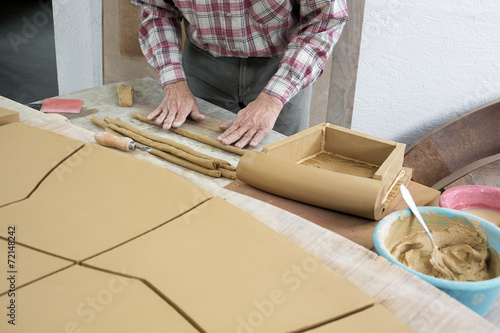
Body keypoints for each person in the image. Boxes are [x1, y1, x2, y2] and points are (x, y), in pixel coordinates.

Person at [131, 0, 348, 148]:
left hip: (282, 69)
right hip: (203, 65)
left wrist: (273, 99)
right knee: (197, 165)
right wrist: (173, 81)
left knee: (279, 169)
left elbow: (324, 19)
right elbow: (157, 9)